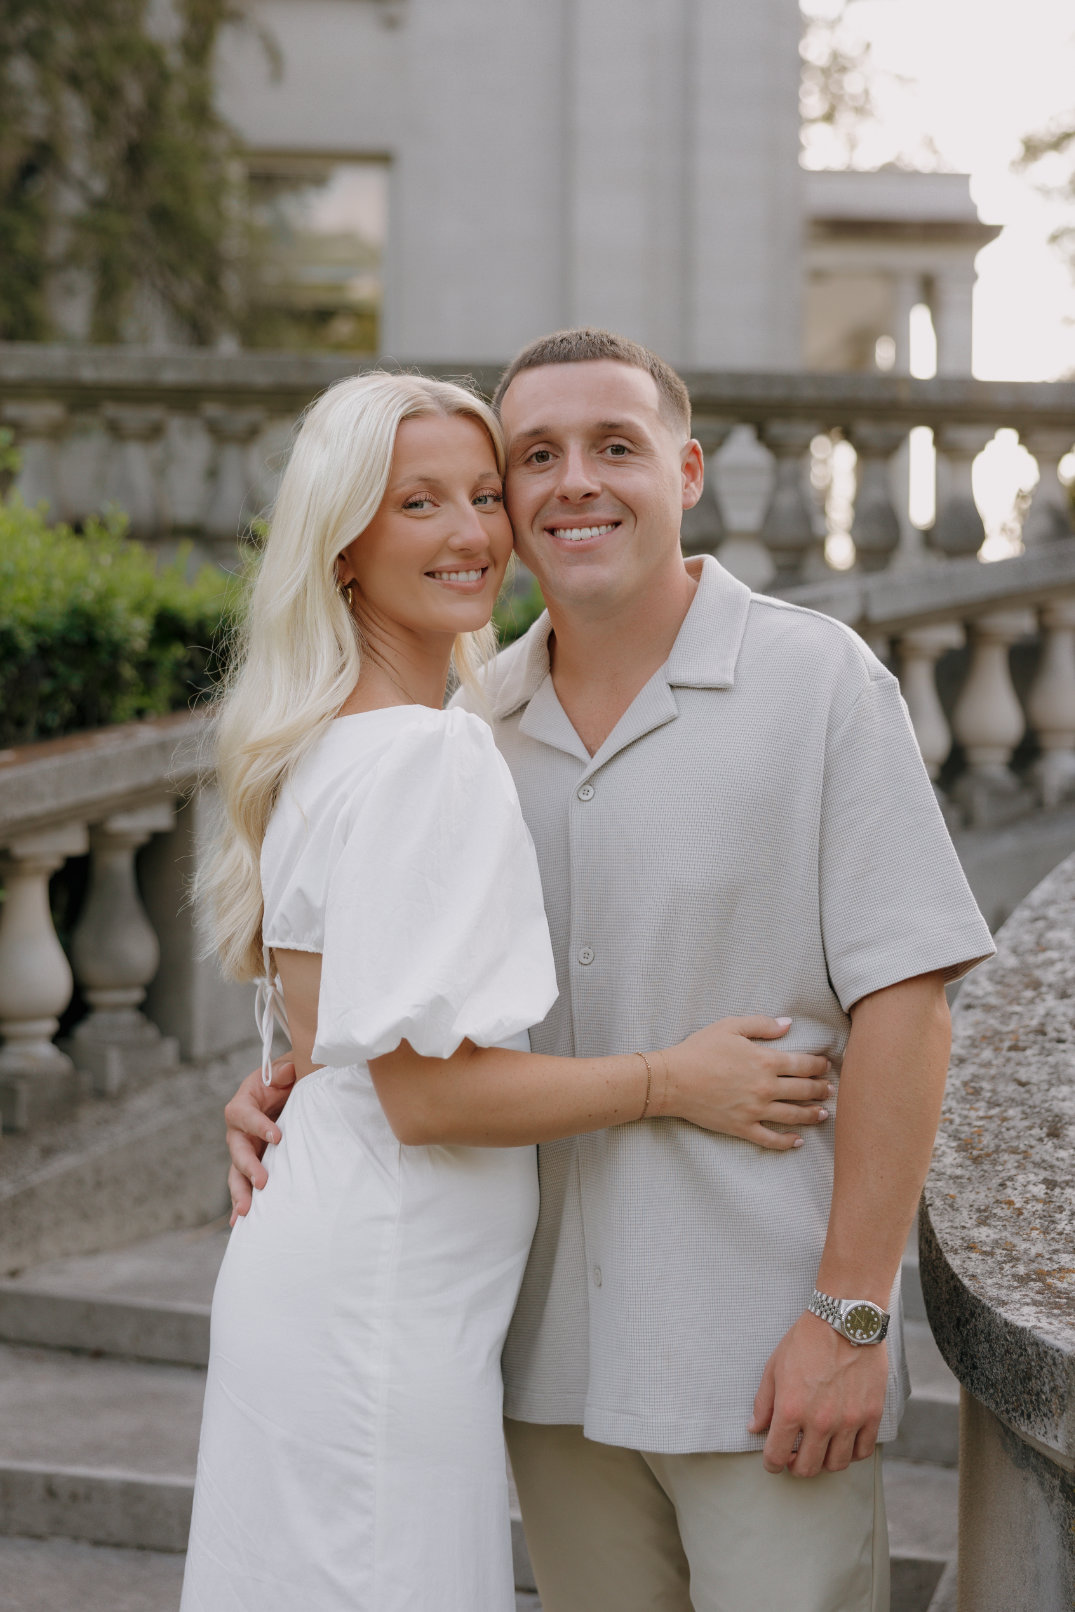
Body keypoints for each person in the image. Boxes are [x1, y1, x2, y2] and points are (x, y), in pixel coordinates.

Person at [224, 332, 995, 1612]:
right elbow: (402, 1027)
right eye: (535, 457)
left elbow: (908, 1007)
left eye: (614, 447)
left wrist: (855, 1314)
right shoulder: (467, 728)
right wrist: (292, 1093)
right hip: (537, 1372)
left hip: (756, 1357)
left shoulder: (818, 682)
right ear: (514, 505)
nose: (573, 481)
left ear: (685, 472)